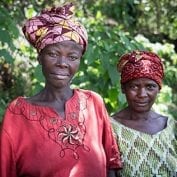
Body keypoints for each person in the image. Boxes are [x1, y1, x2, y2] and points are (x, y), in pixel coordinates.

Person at [0, 3, 122, 177]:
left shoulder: (93, 103)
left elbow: (112, 165)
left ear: (79, 61)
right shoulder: (18, 112)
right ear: (39, 57)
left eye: (72, 57)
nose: (62, 63)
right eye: (53, 54)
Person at [111, 50, 177, 177]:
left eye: (150, 87)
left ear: (159, 89)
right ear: (123, 89)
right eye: (134, 87)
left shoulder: (171, 127)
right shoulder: (110, 128)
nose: (142, 94)